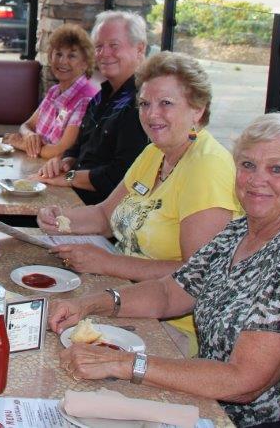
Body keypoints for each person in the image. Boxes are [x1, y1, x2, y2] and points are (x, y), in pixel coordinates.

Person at [49, 113, 280, 427]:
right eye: (248, 165)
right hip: (211, 403)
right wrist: (90, 303)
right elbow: (169, 292)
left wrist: (123, 363)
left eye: (276, 169)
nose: (257, 180)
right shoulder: (242, 230)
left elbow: (244, 381)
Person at [37, 52, 242, 355]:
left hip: (173, 328)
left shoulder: (207, 168)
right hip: (120, 293)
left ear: (197, 110)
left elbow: (196, 272)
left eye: (166, 103)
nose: (151, 114)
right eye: (145, 104)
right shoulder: (155, 153)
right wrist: (60, 218)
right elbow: (106, 215)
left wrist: (107, 262)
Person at [38, 10, 150, 205]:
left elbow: (121, 175)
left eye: (114, 45)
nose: (104, 54)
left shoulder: (141, 104)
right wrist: (66, 161)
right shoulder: (99, 98)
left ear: (139, 49)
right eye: (99, 46)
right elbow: (79, 146)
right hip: (72, 198)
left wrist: (69, 177)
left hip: (103, 215)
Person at [4, 24, 99, 159]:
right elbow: (27, 125)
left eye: (72, 56)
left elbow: (61, 151)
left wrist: (22, 144)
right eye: (58, 54)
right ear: (50, 57)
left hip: (56, 174)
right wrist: (30, 136)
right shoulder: (54, 91)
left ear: (85, 63)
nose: (63, 61)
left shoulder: (86, 99)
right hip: (35, 166)